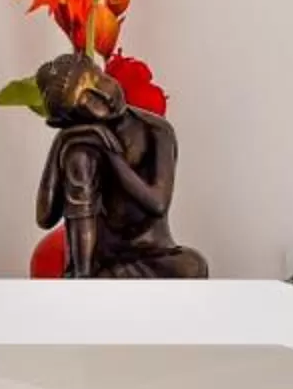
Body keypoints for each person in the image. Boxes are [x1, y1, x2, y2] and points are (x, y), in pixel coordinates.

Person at [34, 51, 209, 279]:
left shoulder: (156, 131)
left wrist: (111, 155)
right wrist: (61, 143)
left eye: (100, 80)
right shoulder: (81, 146)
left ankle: (106, 282)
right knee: (79, 157)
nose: (104, 97)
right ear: (72, 118)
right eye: (87, 101)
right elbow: (45, 217)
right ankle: (87, 279)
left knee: (193, 266)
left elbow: (157, 203)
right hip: (101, 261)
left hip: (151, 254)